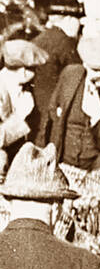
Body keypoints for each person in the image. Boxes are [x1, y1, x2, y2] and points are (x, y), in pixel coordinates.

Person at [39, 36, 100, 174]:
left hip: (95, 170)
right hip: (61, 163)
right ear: (85, 65)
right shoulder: (70, 75)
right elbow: (49, 119)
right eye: (96, 70)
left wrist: (98, 116)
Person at [31, 0, 83, 128]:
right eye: (78, 21)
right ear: (68, 19)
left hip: (36, 107)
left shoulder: (41, 37)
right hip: (54, 110)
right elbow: (77, 76)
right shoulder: (65, 42)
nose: (80, 26)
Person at [1, 40, 47, 174]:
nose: (36, 74)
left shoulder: (24, 89)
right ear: (24, 71)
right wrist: (20, 115)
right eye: (35, 69)